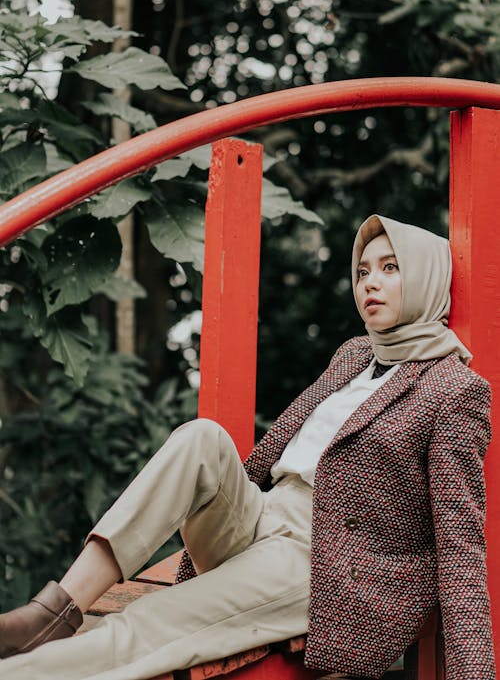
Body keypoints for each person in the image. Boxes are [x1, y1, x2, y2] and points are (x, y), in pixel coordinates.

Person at [0, 214, 494, 680]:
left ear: (429, 280)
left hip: (323, 562)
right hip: (260, 515)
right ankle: (53, 612)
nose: (370, 282)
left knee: (156, 618)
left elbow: (461, 543)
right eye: (363, 270)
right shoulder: (355, 354)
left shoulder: (454, 390)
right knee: (203, 437)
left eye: (391, 268)